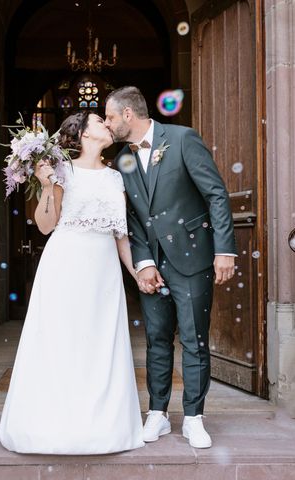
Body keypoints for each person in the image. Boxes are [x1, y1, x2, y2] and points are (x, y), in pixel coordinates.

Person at [0, 112, 144, 454]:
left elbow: (122, 237)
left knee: (101, 343)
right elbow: (46, 226)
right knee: (62, 340)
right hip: (65, 264)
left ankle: (101, 426)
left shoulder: (115, 178)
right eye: (98, 121)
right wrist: (47, 185)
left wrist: (138, 273)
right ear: (82, 133)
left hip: (103, 271)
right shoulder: (64, 172)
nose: (107, 124)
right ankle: (51, 425)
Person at [104, 86, 237, 449]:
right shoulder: (122, 161)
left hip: (193, 258)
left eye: (111, 116)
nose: (108, 123)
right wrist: (143, 263)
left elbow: (216, 194)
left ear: (128, 114)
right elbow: (131, 218)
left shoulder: (181, 139)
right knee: (157, 339)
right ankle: (158, 414)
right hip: (153, 266)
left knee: (194, 340)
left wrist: (225, 249)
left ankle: (194, 417)